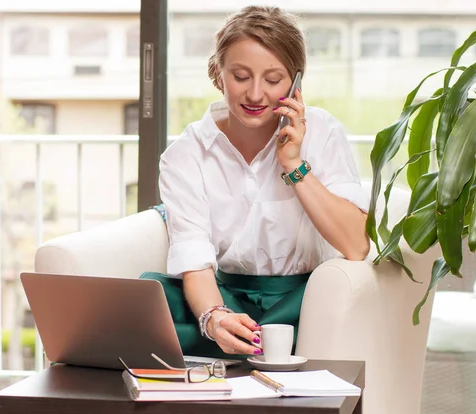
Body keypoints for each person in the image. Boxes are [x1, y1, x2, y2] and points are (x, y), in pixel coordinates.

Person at [141, 5, 370, 359]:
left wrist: (294, 165)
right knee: (149, 293)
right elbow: (195, 263)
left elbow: (356, 245)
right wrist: (215, 318)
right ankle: (227, 344)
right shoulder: (185, 154)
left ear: (295, 83)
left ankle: (242, 350)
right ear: (219, 73)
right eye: (241, 76)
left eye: (273, 79)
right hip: (223, 298)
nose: (255, 94)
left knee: (325, 309)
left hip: (304, 303)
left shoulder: (322, 132)